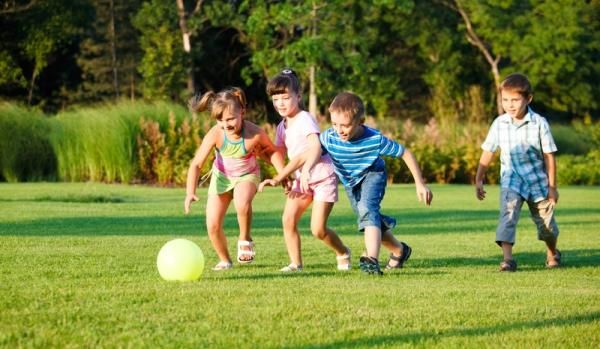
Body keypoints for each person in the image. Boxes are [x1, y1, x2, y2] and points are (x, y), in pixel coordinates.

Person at [315, 91, 433, 275]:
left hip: (373, 173)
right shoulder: (329, 137)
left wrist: (420, 183)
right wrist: (290, 173)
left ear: (360, 121)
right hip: (350, 182)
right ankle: (399, 250)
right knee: (368, 218)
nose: (339, 130)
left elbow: (405, 153)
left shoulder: (374, 139)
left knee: (367, 210)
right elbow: (311, 152)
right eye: (334, 124)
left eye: (345, 125)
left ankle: (372, 259)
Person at [258, 69, 351, 273]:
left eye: (285, 97)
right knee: (288, 219)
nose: (280, 103)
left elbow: (315, 146)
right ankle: (296, 264)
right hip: (301, 179)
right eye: (276, 99)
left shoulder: (305, 119)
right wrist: (279, 172)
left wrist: (306, 168)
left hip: (322, 176)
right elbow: (278, 153)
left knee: (317, 229)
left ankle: (342, 252)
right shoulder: (282, 126)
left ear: (298, 97)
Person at [184, 87, 286, 271]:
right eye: (220, 120)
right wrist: (190, 192)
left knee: (242, 203)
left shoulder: (254, 133)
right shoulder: (216, 133)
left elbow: (272, 153)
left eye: (230, 119)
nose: (226, 124)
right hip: (221, 178)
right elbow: (196, 164)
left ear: (242, 112)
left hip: (247, 175)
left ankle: (244, 238)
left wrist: (283, 175)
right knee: (213, 225)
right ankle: (225, 260)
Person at [475, 73, 561, 272]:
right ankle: (508, 260)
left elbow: (549, 156)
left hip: (537, 182)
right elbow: (488, 151)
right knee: (508, 215)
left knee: (547, 227)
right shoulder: (499, 123)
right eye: (505, 100)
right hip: (511, 180)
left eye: (515, 100)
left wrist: (552, 187)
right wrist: (479, 178)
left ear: (528, 99)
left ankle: (552, 253)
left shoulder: (539, 123)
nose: (510, 105)